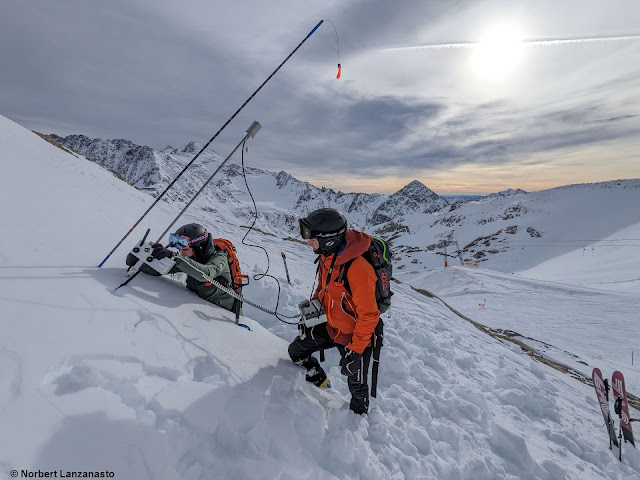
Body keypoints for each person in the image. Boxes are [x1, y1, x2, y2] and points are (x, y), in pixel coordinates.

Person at [289, 208, 380, 415]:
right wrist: (312, 312)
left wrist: (355, 351)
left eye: (311, 238)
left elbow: (369, 315)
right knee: (296, 351)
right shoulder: (327, 257)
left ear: (328, 240)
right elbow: (325, 289)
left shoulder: (358, 269)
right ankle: (320, 381)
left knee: (356, 385)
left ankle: (359, 416)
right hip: (330, 326)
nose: (308, 242)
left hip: (354, 338)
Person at [148, 223, 236, 312]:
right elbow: (158, 270)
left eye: (185, 249)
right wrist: (149, 256)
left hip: (225, 315)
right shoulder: (190, 259)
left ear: (199, 248)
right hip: (199, 309)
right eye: (180, 250)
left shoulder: (220, 258)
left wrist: (175, 257)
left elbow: (206, 273)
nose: (181, 253)